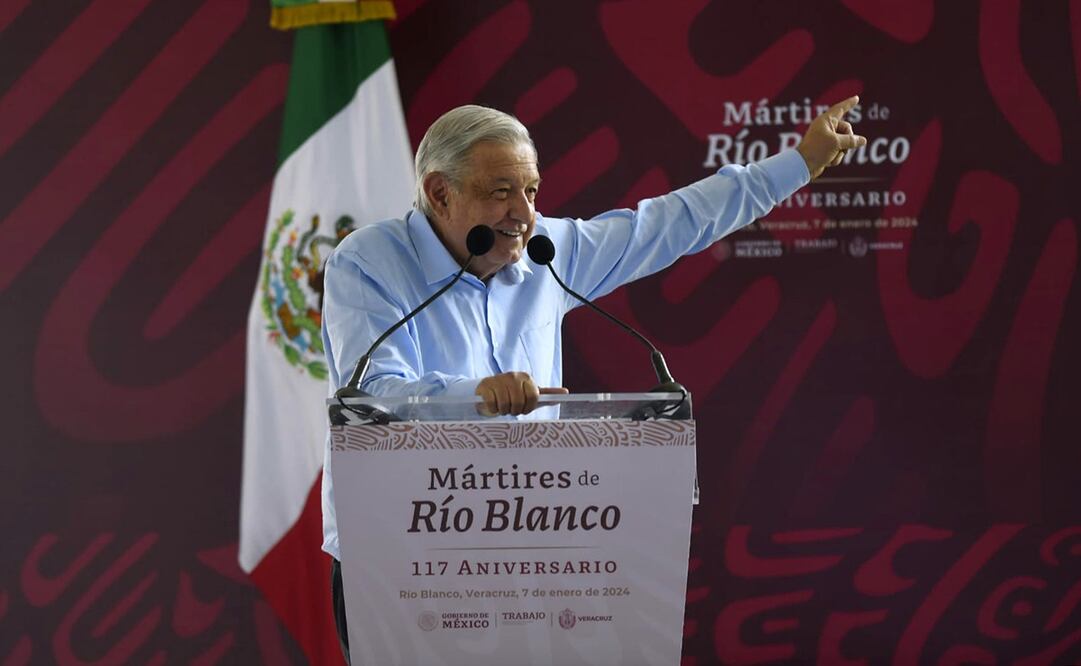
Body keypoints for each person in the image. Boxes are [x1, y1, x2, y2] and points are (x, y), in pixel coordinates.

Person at [320, 99, 866, 659]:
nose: (523, 213)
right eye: (501, 191)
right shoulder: (368, 262)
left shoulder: (545, 255)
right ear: (440, 193)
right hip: (398, 551)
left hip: (522, 542)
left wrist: (800, 162)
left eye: (532, 191)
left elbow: (669, 224)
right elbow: (372, 397)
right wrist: (476, 396)